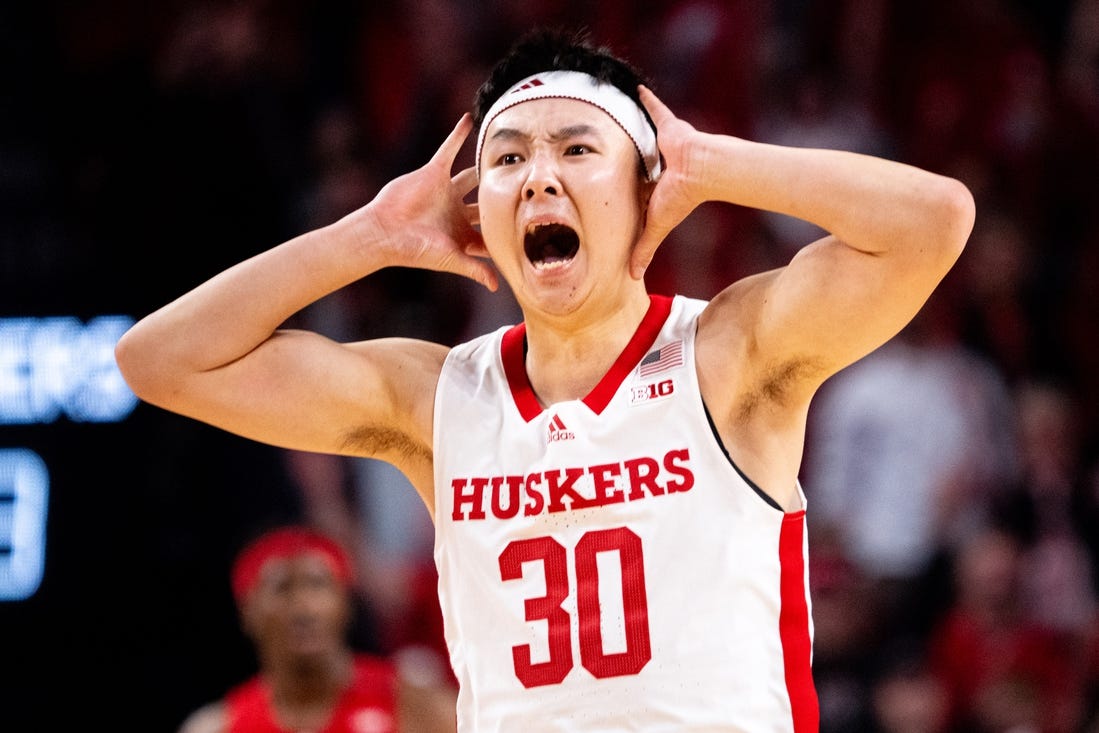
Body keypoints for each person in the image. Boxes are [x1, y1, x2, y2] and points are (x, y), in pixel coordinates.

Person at [117, 27, 975, 732]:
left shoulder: (726, 353)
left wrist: (712, 162)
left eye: (576, 149)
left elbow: (934, 222)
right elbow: (158, 361)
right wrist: (367, 235)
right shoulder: (436, 399)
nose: (539, 177)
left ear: (645, 186)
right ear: (478, 214)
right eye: (508, 159)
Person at [177, 525, 457, 733]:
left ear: (345, 603)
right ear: (247, 611)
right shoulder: (218, 726)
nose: (304, 608)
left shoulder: (415, 705)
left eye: (317, 585)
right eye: (282, 589)